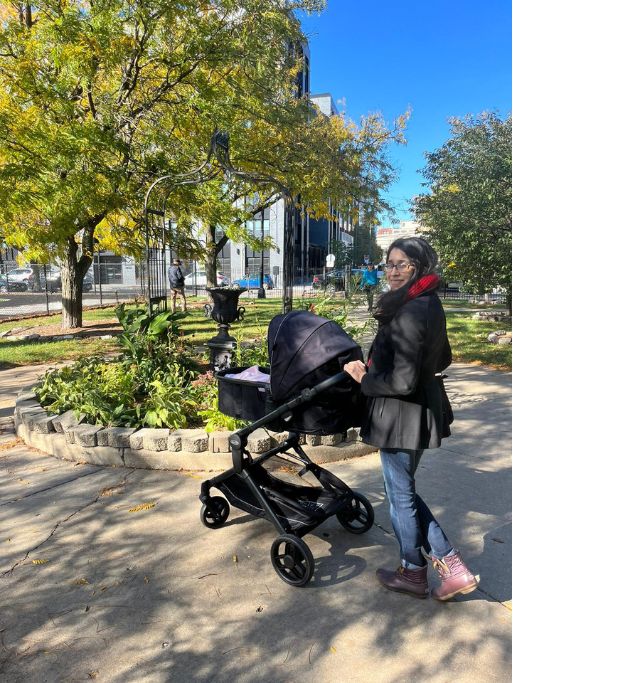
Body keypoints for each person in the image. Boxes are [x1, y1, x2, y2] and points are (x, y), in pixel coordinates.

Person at [343, 237, 478, 601]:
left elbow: (400, 382)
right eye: (389, 263)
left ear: (419, 266)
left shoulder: (411, 310)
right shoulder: (428, 303)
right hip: (419, 411)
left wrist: (364, 377)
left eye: (402, 264)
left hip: (400, 416)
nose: (393, 270)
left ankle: (418, 570)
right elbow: (443, 358)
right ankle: (448, 568)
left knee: (400, 496)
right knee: (403, 491)